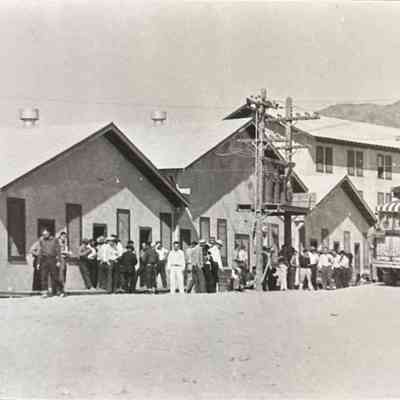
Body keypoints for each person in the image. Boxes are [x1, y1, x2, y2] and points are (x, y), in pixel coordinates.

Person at [38, 229, 61, 297]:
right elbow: (40, 252)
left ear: (49, 233)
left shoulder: (54, 240)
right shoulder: (42, 241)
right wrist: (38, 263)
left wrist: (58, 261)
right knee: (44, 276)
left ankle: (58, 290)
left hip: (52, 259)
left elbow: (58, 250)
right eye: (43, 234)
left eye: (45, 234)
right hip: (44, 260)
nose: (44, 235)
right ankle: (45, 292)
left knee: (55, 276)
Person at [57, 232, 70, 296]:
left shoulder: (64, 243)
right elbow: (56, 251)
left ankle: (62, 290)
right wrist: (65, 252)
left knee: (63, 274)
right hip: (60, 260)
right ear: (61, 236)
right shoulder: (57, 242)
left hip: (64, 260)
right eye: (63, 236)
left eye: (65, 237)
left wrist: (67, 253)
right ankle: (60, 290)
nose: (64, 238)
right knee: (60, 275)